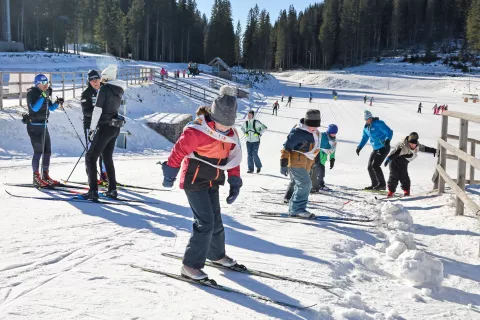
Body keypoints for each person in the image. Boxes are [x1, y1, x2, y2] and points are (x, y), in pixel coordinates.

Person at [161, 85, 243, 280]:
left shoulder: (231, 134)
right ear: (213, 116)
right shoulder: (197, 131)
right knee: (205, 222)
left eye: (227, 125)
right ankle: (190, 266)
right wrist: (170, 174)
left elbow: (233, 157)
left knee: (216, 220)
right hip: (194, 179)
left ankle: (216, 255)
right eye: (221, 124)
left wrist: (234, 181)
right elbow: (179, 150)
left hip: (213, 179)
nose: (224, 128)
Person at [82, 64, 126, 201]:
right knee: (107, 157)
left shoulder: (105, 89)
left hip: (104, 127)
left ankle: (93, 191)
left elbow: (97, 110)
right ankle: (112, 189)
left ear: (105, 78)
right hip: (114, 127)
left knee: (90, 157)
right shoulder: (118, 89)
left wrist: (93, 129)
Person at [280, 110, 321, 217]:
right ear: (307, 123)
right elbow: (286, 147)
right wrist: (283, 163)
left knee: (300, 185)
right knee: (305, 184)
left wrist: (315, 162)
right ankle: (297, 209)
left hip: (306, 163)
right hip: (295, 162)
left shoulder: (315, 133)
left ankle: (294, 208)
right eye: (312, 126)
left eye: (316, 126)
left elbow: (315, 148)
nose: (314, 129)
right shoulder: (297, 132)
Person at [26, 74, 63, 187]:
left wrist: (58, 103)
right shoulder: (32, 93)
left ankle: (45, 175)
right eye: (44, 83)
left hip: (44, 126)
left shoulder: (45, 93)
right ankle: (36, 177)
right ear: (38, 83)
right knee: (38, 152)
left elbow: (50, 107)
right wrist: (43, 95)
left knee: (47, 151)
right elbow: (35, 108)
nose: (47, 85)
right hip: (34, 126)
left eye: (47, 83)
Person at [384, 132, 437, 197]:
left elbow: (425, 148)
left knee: (404, 176)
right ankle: (391, 192)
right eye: (411, 144)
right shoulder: (402, 146)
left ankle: (406, 191)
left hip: (404, 161)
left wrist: (434, 150)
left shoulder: (417, 146)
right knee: (394, 175)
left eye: (414, 144)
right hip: (394, 160)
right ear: (408, 142)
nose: (412, 146)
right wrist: (388, 159)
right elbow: (395, 153)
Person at [81, 69, 108, 183]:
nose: (95, 82)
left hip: (103, 125)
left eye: (96, 79)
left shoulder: (104, 90)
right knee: (91, 153)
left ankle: (104, 174)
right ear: (89, 82)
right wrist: (98, 112)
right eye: (92, 80)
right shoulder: (86, 93)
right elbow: (86, 111)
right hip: (90, 126)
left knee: (104, 151)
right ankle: (91, 177)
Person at [356, 110, 393, 190]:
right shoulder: (366, 127)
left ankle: (382, 185)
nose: (368, 119)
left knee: (375, 165)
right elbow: (365, 138)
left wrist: (387, 140)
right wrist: (359, 147)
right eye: (366, 119)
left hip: (384, 147)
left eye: (369, 118)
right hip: (375, 149)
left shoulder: (379, 123)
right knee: (370, 167)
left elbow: (389, 131)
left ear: (371, 117)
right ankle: (374, 184)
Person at [311, 124, 338, 192]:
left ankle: (319, 185)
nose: (333, 134)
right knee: (317, 172)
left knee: (321, 173)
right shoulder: (322, 136)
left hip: (323, 159)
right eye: (332, 133)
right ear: (329, 132)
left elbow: (333, 150)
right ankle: (317, 186)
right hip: (317, 156)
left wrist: (332, 159)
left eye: (335, 133)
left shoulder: (334, 140)